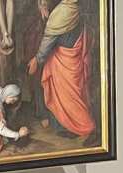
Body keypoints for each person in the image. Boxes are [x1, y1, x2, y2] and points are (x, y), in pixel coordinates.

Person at [28, 0, 96, 140]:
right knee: (73, 95)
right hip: (73, 59)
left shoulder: (62, 12)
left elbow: (48, 41)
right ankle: (67, 124)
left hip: (63, 62)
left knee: (66, 96)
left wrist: (37, 59)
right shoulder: (75, 8)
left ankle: (81, 125)